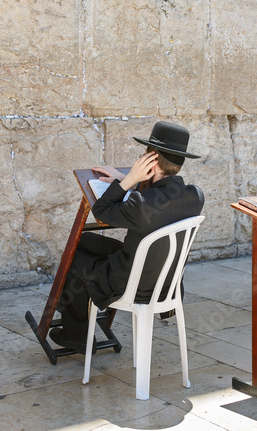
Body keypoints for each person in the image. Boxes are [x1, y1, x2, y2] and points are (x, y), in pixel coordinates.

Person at [50, 121, 205, 353]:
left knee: (75, 259)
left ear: (150, 161)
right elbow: (157, 202)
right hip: (165, 284)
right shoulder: (195, 196)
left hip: (133, 284)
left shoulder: (140, 203)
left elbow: (101, 211)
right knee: (83, 242)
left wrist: (128, 181)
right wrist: (124, 178)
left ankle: (77, 336)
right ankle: (84, 323)